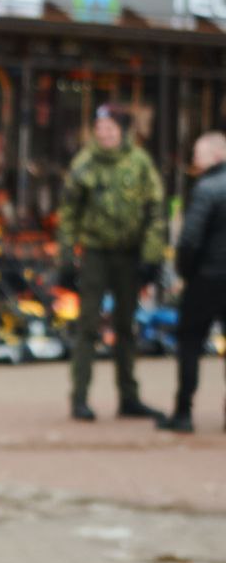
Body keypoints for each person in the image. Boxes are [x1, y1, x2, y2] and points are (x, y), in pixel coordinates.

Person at [57, 104, 166, 423]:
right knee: (88, 325)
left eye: (110, 128)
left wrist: (151, 256)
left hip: (129, 255)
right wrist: (66, 258)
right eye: (100, 128)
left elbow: (155, 211)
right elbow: (68, 214)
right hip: (95, 253)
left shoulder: (140, 162)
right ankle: (80, 398)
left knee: (126, 326)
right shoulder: (84, 164)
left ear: (122, 131)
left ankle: (128, 397)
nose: (104, 134)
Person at [158, 131, 226, 433]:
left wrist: (185, 272)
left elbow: (189, 240)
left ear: (217, 155)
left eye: (199, 154)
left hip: (206, 278)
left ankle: (183, 411)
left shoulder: (206, 188)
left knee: (190, 343)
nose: (194, 160)